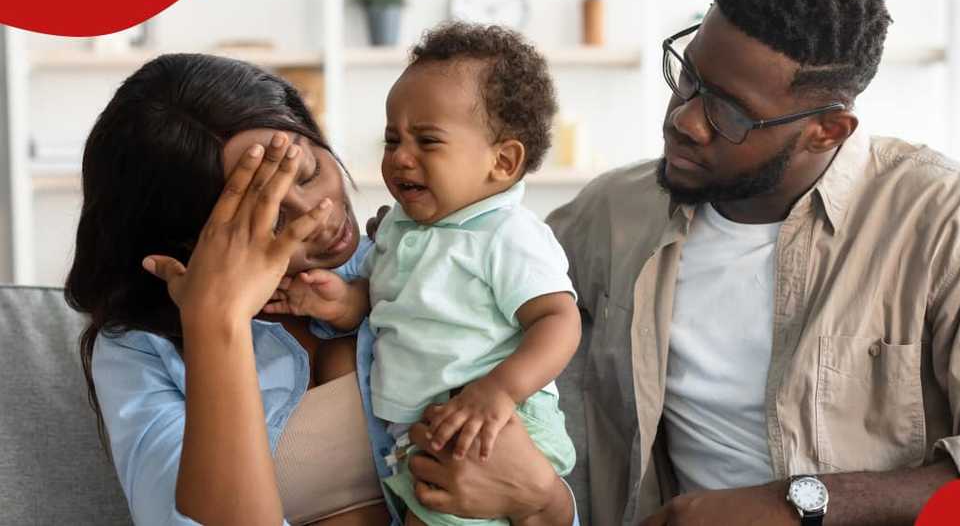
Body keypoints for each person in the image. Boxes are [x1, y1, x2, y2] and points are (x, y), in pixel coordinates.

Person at [544, 0, 960, 525]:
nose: (683, 120)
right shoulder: (612, 213)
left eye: (730, 113)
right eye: (688, 77)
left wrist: (798, 504)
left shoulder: (958, 226)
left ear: (827, 130)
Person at [64, 52, 577, 525]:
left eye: (309, 172)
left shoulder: (405, 263)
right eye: (267, 214)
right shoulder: (142, 350)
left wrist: (541, 498)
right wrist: (217, 321)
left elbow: (540, 490)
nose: (319, 214)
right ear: (191, 239)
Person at [265, 23, 582, 526]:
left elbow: (559, 319)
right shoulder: (401, 228)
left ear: (502, 162)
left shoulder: (506, 235)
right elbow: (387, 295)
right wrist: (344, 301)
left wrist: (499, 391)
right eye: (393, 139)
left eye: (427, 141)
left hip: (491, 422)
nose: (400, 158)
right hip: (426, 429)